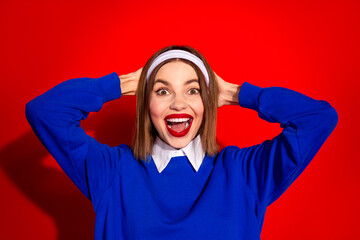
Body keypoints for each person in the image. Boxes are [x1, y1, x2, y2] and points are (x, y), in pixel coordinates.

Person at [25, 45, 338, 240]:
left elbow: (318, 119)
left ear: (208, 101)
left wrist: (234, 92)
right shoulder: (112, 171)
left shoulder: (244, 173)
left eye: (193, 90)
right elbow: (44, 112)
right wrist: (124, 84)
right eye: (162, 91)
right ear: (145, 103)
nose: (178, 104)